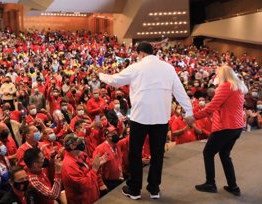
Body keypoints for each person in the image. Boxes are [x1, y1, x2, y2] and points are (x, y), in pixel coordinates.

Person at [98, 41, 193, 200]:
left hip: (140, 118)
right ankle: (154, 188)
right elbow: (180, 91)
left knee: (135, 153)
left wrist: (101, 74)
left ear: (140, 54)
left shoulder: (137, 67)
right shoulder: (168, 68)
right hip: (161, 119)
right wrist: (189, 111)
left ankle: (135, 189)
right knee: (158, 154)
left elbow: (115, 81)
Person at [186, 65, 248, 196]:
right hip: (236, 127)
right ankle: (233, 186)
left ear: (223, 75)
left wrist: (193, 117)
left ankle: (210, 183)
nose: (216, 77)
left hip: (225, 126)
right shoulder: (238, 86)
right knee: (225, 154)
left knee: (208, 153)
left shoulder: (225, 86)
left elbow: (211, 108)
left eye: (217, 74)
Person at [61, 133, 106, 204]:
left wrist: (98, 164)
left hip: (92, 196)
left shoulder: (82, 155)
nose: (82, 144)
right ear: (72, 146)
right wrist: (94, 169)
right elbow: (83, 185)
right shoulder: (68, 165)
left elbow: (90, 168)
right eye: (78, 142)